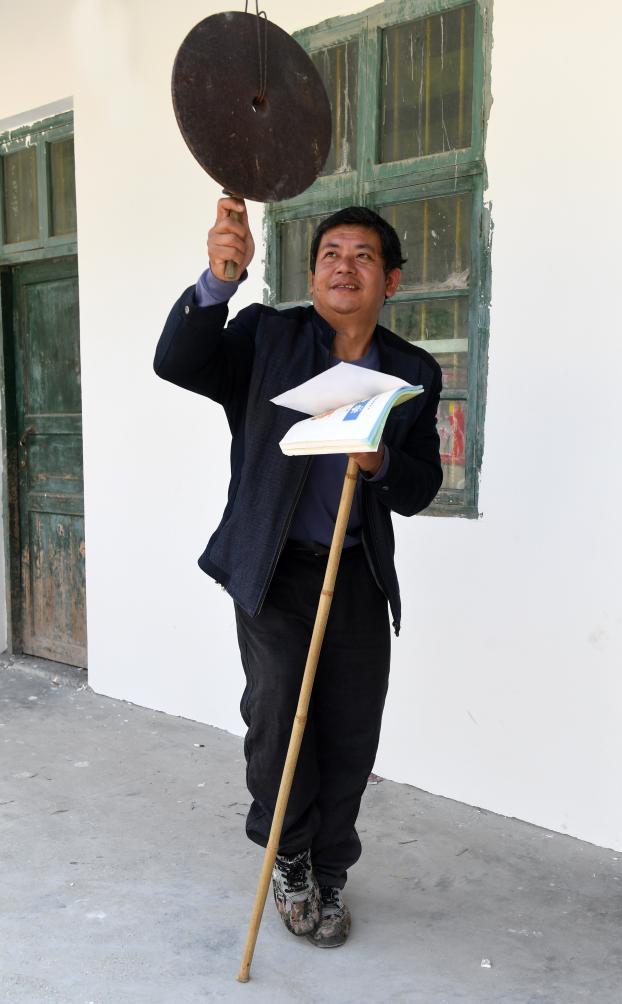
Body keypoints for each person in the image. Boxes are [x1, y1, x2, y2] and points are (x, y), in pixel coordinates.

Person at [154, 198, 442, 948]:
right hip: (272, 569)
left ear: (390, 280)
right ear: (312, 275)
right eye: (330, 255)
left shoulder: (411, 370)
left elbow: (420, 487)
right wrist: (220, 282)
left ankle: (331, 868)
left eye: (363, 256)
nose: (345, 267)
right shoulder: (267, 337)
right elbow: (179, 362)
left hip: (355, 573)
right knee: (281, 717)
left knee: (350, 729)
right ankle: (289, 858)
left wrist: (378, 461)